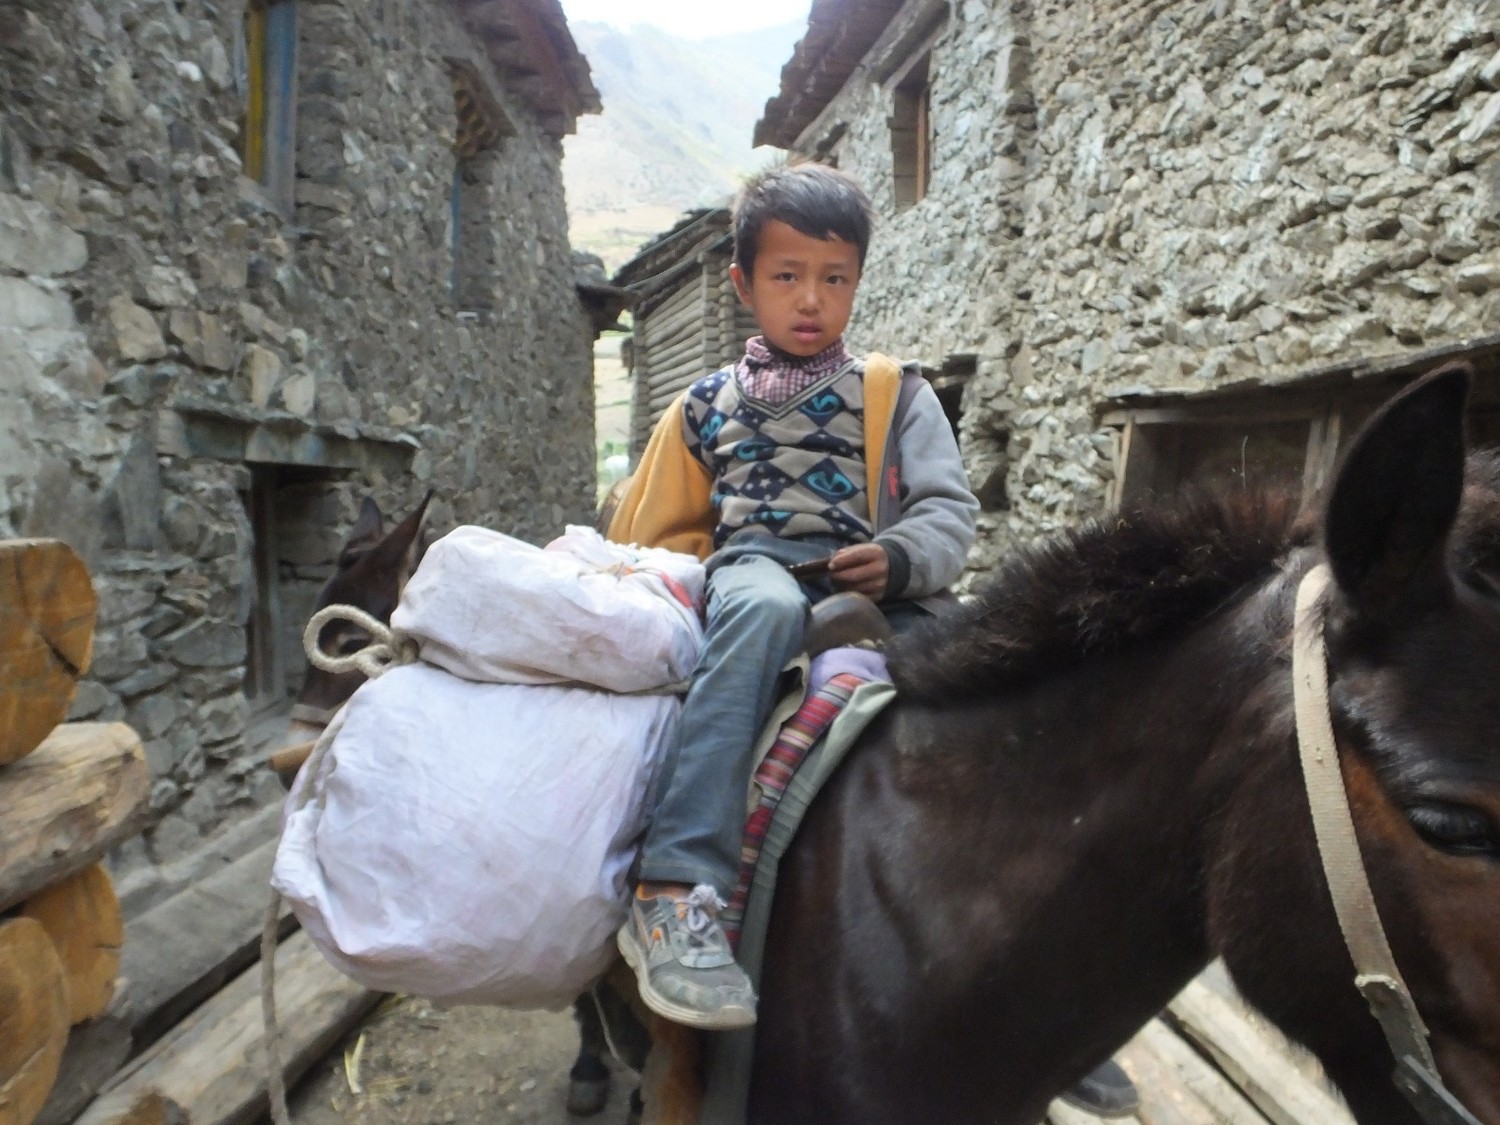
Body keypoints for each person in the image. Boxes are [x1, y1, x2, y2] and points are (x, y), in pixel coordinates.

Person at [607, 163, 979, 1031]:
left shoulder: (897, 391)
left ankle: (1025, 925)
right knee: (765, 609)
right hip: (757, 568)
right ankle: (674, 885)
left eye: (834, 277)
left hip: (868, 576)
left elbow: (947, 513)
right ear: (743, 284)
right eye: (786, 276)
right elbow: (650, 530)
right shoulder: (703, 405)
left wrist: (898, 559)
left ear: (856, 280)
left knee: (998, 657)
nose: (811, 299)